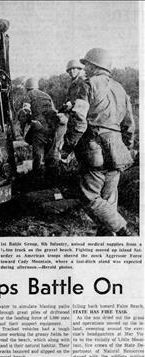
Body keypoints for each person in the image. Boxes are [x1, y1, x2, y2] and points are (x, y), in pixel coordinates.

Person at [60, 48, 135, 236]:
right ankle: (108, 237)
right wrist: (127, 145)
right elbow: (129, 124)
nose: (85, 68)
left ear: (95, 66)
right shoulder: (120, 88)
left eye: (87, 65)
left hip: (94, 148)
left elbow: (79, 120)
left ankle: (122, 228)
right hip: (118, 149)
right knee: (108, 199)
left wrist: (68, 147)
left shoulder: (87, 85)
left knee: (90, 197)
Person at [21, 77, 56, 171]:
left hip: (39, 126)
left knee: (38, 154)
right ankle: (52, 175)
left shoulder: (28, 95)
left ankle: (37, 176)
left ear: (27, 88)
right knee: (50, 153)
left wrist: (23, 126)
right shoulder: (47, 95)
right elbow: (54, 111)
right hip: (51, 126)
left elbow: (25, 112)